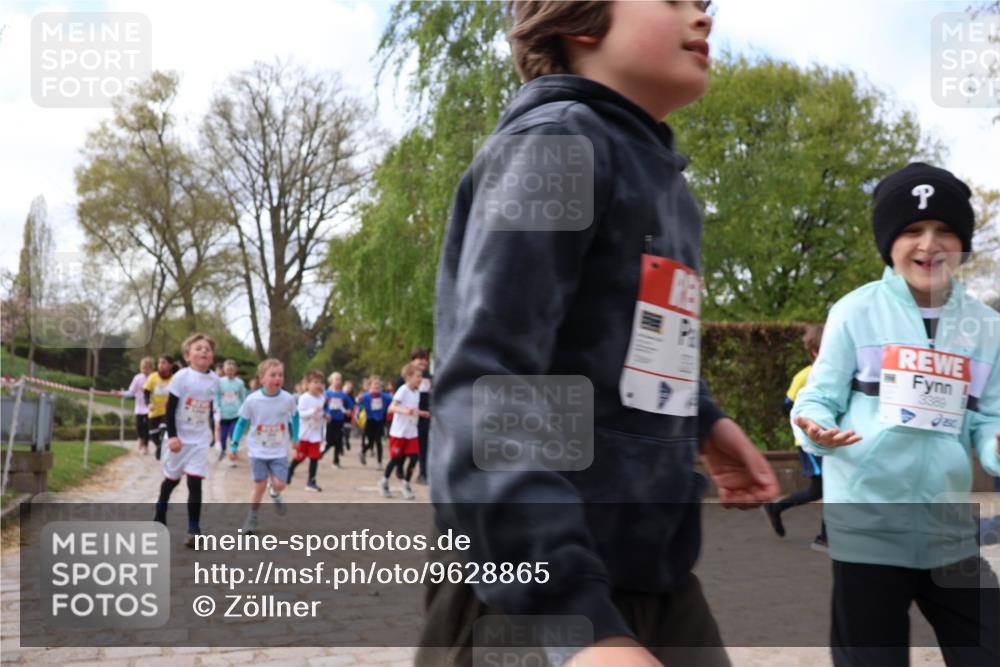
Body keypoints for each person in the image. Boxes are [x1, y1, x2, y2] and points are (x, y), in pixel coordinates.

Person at [419, 2, 779, 666]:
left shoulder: (668, 185)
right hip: (529, 593)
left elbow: (623, 337)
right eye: (674, 0)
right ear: (580, 20)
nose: (703, 17)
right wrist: (574, 618)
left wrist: (703, 419)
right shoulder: (557, 148)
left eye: (705, 4)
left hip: (657, 580)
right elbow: (490, 387)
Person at [792, 163, 1000, 666]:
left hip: (949, 529)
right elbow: (818, 397)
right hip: (867, 524)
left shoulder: (987, 326)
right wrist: (815, 430)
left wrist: (996, 447)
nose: (929, 243)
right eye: (911, 230)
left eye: (945, 230)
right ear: (889, 241)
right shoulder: (854, 311)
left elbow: (986, 418)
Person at [763, 324, 829, 551]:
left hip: (828, 440)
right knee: (826, 489)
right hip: (809, 443)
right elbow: (786, 406)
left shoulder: (834, 374)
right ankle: (824, 538)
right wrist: (806, 420)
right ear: (814, 352)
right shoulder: (804, 376)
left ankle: (777, 509)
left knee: (820, 490)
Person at [152, 334, 219, 547]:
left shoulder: (214, 381)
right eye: (198, 348)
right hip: (178, 439)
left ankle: (193, 530)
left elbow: (209, 408)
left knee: (195, 482)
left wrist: (212, 431)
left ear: (212, 357)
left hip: (198, 441)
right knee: (171, 481)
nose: (204, 351)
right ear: (188, 356)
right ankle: (159, 517)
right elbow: (170, 409)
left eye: (207, 349)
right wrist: (172, 436)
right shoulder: (181, 376)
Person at [230, 359, 297, 535]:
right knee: (259, 486)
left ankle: (275, 493)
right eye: (273, 375)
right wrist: (235, 444)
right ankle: (251, 518)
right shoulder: (252, 400)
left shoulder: (288, 399)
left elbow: (295, 417)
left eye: (280, 375)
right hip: (257, 451)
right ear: (261, 378)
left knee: (280, 484)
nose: (277, 378)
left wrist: (295, 437)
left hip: (279, 450)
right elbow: (241, 423)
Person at [380, 362, 427, 500]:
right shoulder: (403, 390)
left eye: (421, 376)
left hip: (411, 431)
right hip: (399, 432)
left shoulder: (416, 392)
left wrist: (421, 413)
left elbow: (412, 409)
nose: (420, 379)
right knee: (396, 459)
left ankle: (405, 484)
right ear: (408, 377)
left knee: (414, 457)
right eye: (418, 376)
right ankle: (384, 481)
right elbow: (391, 408)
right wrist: (404, 411)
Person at [397, 348, 433, 485]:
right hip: (407, 417)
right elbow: (397, 399)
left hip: (424, 416)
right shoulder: (403, 378)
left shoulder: (430, 377)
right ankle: (399, 465)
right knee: (405, 444)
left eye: (426, 359)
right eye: (420, 358)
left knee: (423, 446)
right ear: (413, 360)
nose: (424, 361)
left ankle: (423, 473)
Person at [288, 369, 325, 491]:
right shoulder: (304, 398)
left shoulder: (321, 398)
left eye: (320, 382)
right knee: (300, 457)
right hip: (304, 434)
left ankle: (311, 481)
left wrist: (324, 415)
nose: (318, 385)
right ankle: (290, 469)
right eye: (315, 382)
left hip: (315, 434)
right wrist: (312, 412)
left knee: (314, 457)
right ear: (307, 384)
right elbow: (299, 414)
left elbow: (321, 412)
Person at [215, 359, 247, 466]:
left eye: (232, 369)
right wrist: (216, 407)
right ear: (224, 369)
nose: (229, 371)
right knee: (223, 436)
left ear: (235, 370)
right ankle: (223, 451)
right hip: (224, 414)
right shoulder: (220, 382)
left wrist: (244, 410)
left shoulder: (240, 383)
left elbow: (243, 398)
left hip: (236, 414)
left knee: (234, 435)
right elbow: (216, 396)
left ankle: (233, 455)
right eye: (227, 369)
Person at [143, 354, 175, 460]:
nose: (160, 365)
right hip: (154, 410)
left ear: (170, 365)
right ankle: (159, 446)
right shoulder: (153, 377)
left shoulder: (175, 378)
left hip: (167, 411)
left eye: (163, 363)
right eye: (159, 363)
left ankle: (163, 448)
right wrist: (148, 404)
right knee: (153, 434)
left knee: (164, 429)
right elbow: (146, 392)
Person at [321, 372, 355, 468]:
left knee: (338, 440)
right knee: (329, 441)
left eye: (340, 379)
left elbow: (350, 406)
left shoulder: (343, 395)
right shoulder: (326, 394)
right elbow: (321, 405)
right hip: (329, 421)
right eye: (336, 379)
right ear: (331, 380)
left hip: (340, 420)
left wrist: (348, 411)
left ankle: (336, 461)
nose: (338, 381)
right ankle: (321, 452)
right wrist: (325, 413)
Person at [357, 376, 391, 470]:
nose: (376, 389)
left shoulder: (385, 397)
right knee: (371, 441)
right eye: (374, 387)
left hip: (380, 421)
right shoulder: (366, 396)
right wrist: (358, 400)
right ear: (370, 387)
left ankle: (379, 462)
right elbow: (358, 403)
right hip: (370, 420)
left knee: (378, 441)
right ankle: (363, 451)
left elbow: (392, 402)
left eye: (378, 386)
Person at [124, 356, 153, 454]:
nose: (145, 369)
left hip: (149, 406)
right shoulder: (137, 378)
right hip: (139, 407)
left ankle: (146, 446)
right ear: (141, 368)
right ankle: (140, 438)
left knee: (147, 427)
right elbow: (131, 391)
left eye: (147, 367)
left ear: (151, 368)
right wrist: (121, 393)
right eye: (143, 367)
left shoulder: (153, 378)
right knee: (139, 426)